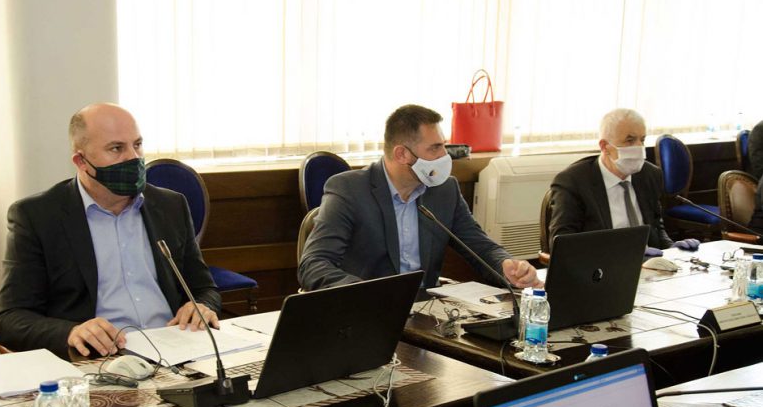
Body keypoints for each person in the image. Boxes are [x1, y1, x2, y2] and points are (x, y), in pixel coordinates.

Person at [0, 103, 222, 358]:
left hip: (177, 348)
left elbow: (205, 288)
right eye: (116, 148)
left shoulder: (170, 205)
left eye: (137, 145)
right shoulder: (37, 216)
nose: (133, 158)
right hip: (102, 358)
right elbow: (10, 320)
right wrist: (71, 332)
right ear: (81, 161)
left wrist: (201, 306)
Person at [298, 104, 540, 291]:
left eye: (443, 145)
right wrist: (366, 292)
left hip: (426, 312)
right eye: (435, 148)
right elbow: (314, 264)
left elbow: (479, 245)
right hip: (369, 312)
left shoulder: (444, 189)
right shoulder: (349, 190)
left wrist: (506, 264)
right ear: (402, 154)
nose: (445, 155)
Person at [549, 108, 698, 255]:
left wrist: (672, 249)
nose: (639, 147)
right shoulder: (573, 181)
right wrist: (625, 253)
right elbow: (562, 244)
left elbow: (656, 228)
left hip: (650, 265)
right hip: (604, 266)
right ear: (605, 146)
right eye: (630, 140)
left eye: (642, 139)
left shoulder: (650, 175)